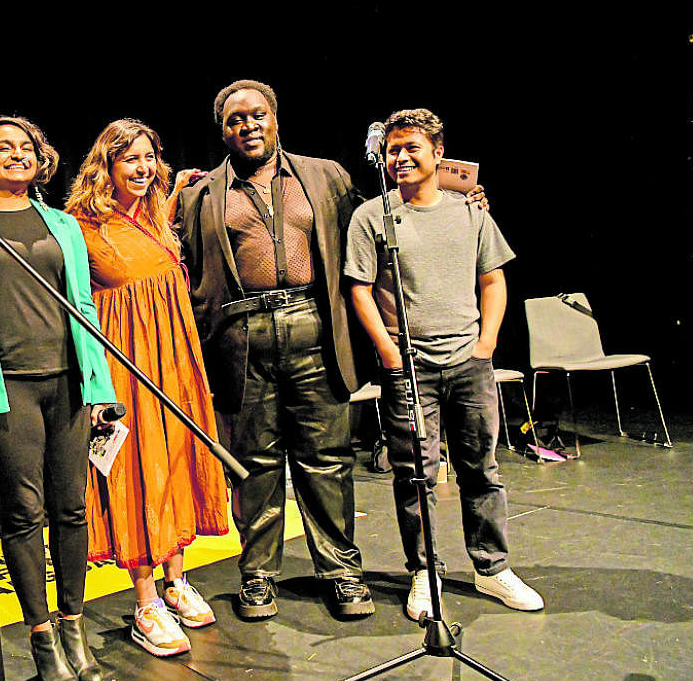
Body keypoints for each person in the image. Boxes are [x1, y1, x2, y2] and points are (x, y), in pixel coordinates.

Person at [175, 79, 376, 620]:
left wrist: (454, 197)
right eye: (235, 119)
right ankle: (258, 575)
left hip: (315, 325)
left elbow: (372, 229)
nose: (249, 126)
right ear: (223, 131)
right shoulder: (199, 194)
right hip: (242, 337)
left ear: (275, 118)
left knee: (326, 460)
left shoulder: (325, 175)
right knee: (254, 465)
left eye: (257, 115)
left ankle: (342, 572)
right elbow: (174, 257)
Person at [344, 108, 544, 621]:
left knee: (483, 467)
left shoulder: (471, 212)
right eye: (393, 149)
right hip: (409, 367)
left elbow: (493, 279)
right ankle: (424, 571)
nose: (401, 157)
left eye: (412, 147)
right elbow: (359, 290)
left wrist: (486, 344)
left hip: (469, 365)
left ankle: (492, 568)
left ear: (438, 153)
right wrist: (389, 354)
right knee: (416, 475)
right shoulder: (372, 216)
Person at [0, 116, 115, 681]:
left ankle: (74, 627)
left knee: (72, 508)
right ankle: (43, 638)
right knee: (25, 514)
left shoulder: (63, 226)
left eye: (26, 148)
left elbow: (83, 306)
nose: (17, 156)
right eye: (4, 148)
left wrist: (100, 386)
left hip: (69, 383)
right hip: (11, 390)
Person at [64, 119, 228, 657]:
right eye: (130, 158)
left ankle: (177, 581)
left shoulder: (158, 216)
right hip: (124, 371)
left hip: (175, 365)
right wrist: (94, 386)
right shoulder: (80, 227)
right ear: (105, 166)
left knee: (177, 463)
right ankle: (145, 602)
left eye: (149, 157)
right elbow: (74, 311)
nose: (142, 167)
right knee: (136, 474)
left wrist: (175, 189)